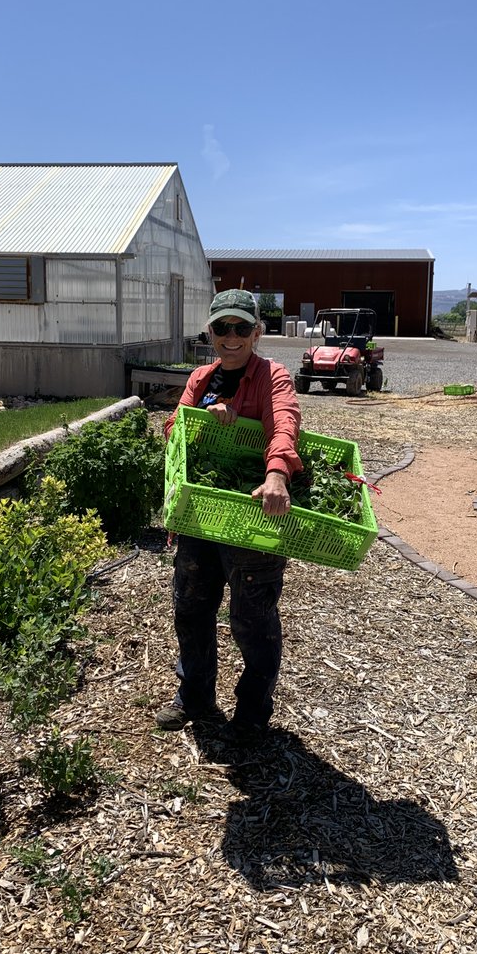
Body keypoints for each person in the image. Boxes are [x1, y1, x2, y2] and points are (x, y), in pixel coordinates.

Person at [156, 289, 303, 740]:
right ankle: (195, 697)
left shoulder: (272, 376)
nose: (231, 336)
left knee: (251, 619)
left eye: (242, 328)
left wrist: (277, 473)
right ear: (210, 333)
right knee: (192, 608)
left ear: (257, 333)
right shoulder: (200, 377)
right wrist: (200, 416)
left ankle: (253, 713)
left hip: (255, 511)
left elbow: (285, 422)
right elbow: (172, 430)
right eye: (222, 328)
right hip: (200, 514)